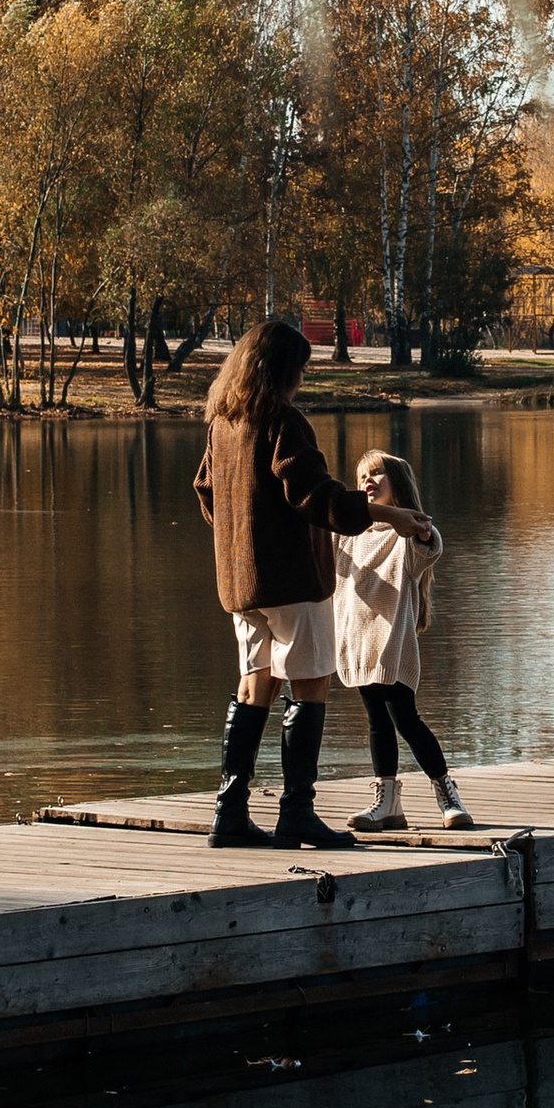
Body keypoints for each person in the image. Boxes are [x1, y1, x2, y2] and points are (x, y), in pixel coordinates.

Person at [192, 318, 431, 850]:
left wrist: (240, 540)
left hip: (241, 586)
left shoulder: (223, 424)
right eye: (299, 369)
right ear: (281, 370)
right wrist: (389, 516)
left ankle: (229, 813)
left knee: (254, 685)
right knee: (311, 683)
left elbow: (206, 491)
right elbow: (316, 496)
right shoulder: (284, 423)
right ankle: (296, 811)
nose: (302, 378)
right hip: (293, 582)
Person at [335, 447, 475, 831]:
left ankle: (447, 793)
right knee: (377, 720)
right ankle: (388, 804)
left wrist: (420, 529)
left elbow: (429, 545)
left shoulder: (405, 536)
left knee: (405, 718)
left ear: (397, 485)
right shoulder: (347, 537)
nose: (367, 481)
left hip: (391, 643)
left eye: (377, 474)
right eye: (362, 475)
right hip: (358, 643)